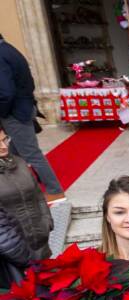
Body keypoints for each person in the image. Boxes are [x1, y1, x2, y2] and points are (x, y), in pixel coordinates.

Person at [0, 34, 64, 202]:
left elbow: (6, 92)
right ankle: (20, 189)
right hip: (23, 107)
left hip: (14, 112)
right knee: (13, 154)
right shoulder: (9, 49)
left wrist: (2, 112)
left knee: (31, 154)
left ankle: (55, 191)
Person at [0, 128, 53, 260]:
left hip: (41, 240)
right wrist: (15, 249)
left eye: (5, 140)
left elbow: (38, 195)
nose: (4, 146)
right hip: (14, 250)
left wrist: (47, 221)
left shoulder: (19, 162)